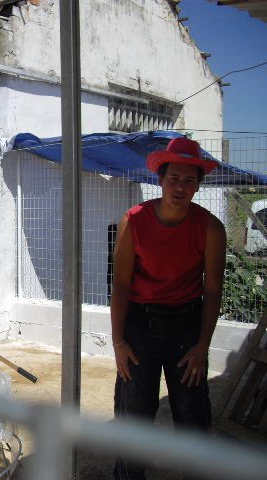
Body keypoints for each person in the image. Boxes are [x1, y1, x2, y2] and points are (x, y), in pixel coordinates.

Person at [110, 137, 226, 479]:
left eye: (189, 180)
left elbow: (213, 289)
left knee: (192, 409)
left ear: (198, 185)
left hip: (186, 326)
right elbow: (121, 284)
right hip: (139, 324)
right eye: (174, 178)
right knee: (134, 409)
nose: (180, 187)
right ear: (160, 180)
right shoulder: (134, 221)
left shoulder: (210, 228)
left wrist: (202, 346)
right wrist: (118, 342)